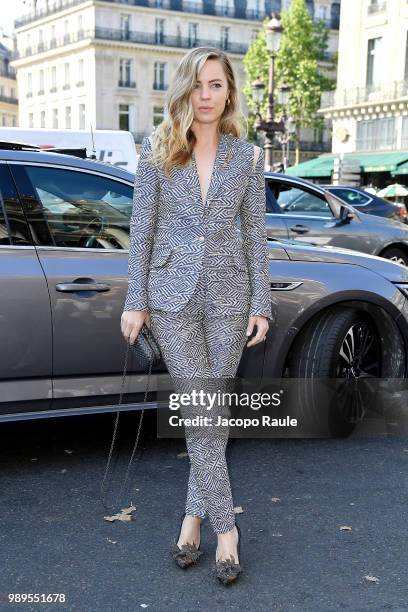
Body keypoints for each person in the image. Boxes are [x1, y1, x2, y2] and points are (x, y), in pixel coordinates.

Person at [121, 46, 273, 585]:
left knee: (211, 411)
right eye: (197, 85)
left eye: (215, 85)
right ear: (183, 90)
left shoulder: (250, 158)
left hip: (231, 296)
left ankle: (192, 519)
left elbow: (255, 234)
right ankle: (227, 530)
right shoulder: (157, 149)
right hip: (172, 298)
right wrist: (134, 299)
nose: (205, 96)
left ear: (229, 90)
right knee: (202, 411)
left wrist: (261, 304)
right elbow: (141, 230)